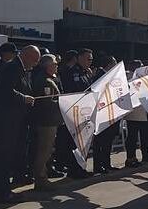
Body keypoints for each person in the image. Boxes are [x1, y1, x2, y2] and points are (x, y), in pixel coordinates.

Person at [0, 45, 39, 203]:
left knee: (8, 155)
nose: (35, 64)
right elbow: (5, 90)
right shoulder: (12, 67)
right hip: (6, 119)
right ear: (26, 56)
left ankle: (4, 189)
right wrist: (23, 98)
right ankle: (1, 192)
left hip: (15, 118)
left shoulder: (20, 68)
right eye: (35, 60)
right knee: (2, 155)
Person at [58, 48, 94, 178]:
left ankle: (80, 167)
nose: (90, 62)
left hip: (85, 112)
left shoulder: (86, 72)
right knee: (74, 143)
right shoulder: (71, 72)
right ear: (79, 58)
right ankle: (74, 169)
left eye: (91, 59)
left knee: (83, 142)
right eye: (87, 59)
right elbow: (72, 90)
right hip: (75, 111)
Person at [31, 54, 63, 191]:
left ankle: (42, 175)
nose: (56, 66)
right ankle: (40, 178)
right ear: (48, 66)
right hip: (46, 121)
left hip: (50, 120)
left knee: (47, 149)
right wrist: (62, 102)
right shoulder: (44, 81)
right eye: (55, 64)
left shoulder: (50, 79)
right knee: (44, 150)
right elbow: (47, 102)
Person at [91, 54, 120, 174]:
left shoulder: (111, 76)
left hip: (111, 111)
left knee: (108, 140)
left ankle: (106, 163)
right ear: (109, 65)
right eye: (114, 63)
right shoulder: (100, 76)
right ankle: (98, 165)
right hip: (102, 112)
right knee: (101, 141)